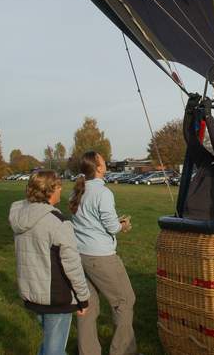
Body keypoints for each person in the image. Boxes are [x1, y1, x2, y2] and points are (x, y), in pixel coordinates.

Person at [9, 170, 90, 355]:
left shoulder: (21, 217)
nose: (61, 190)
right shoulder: (58, 223)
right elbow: (73, 266)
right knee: (54, 350)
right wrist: (83, 299)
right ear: (51, 190)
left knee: (49, 346)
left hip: (34, 293)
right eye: (59, 186)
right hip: (56, 297)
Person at [70, 151, 138, 355]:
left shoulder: (76, 192)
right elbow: (111, 227)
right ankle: (123, 351)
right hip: (101, 257)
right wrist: (122, 225)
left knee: (87, 305)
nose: (105, 162)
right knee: (125, 301)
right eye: (102, 160)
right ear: (98, 167)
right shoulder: (103, 193)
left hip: (79, 255)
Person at [181, 94, 214, 220]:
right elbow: (190, 138)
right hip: (189, 219)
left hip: (210, 222)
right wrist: (189, 111)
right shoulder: (206, 162)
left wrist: (208, 116)